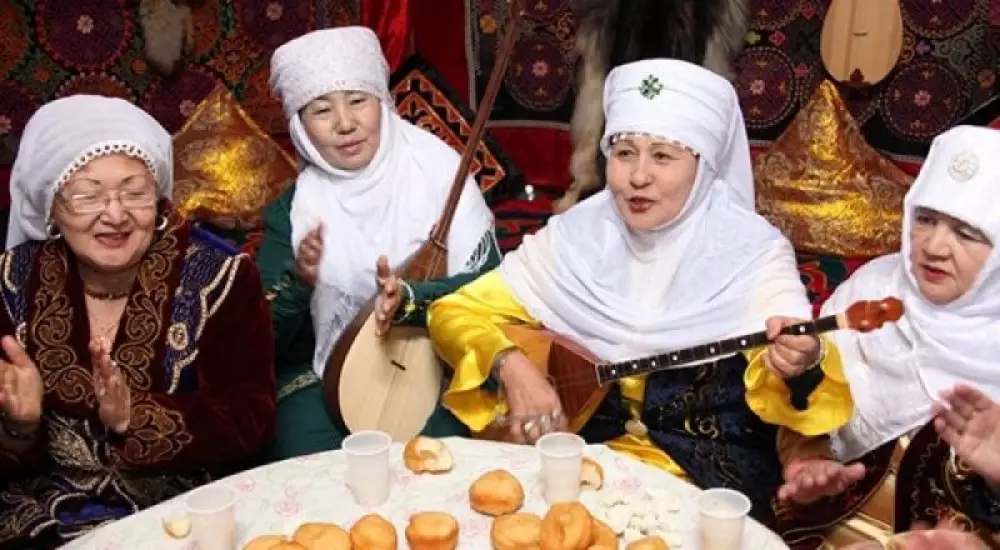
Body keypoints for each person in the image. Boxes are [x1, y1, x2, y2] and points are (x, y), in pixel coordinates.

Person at [426, 58, 854, 521]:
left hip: (697, 477)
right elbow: (453, 312)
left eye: (663, 156)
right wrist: (511, 365)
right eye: (625, 152)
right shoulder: (576, 234)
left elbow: (794, 376)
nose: (637, 177)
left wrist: (802, 361)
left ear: (703, 165)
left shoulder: (753, 253)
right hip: (574, 457)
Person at [0, 95, 276, 548]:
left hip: (179, 508)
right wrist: (21, 425)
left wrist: (136, 417)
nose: (115, 215)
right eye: (87, 195)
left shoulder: (221, 277)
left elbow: (251, 419)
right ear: (50, 205)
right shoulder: (12, 281)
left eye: (134, 192)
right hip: (41, 515)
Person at [261, 27, 500, 459]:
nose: (344, 123)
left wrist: (412, 299)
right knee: (309, 464)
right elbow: (262, 338)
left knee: (448, 458)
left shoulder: (441, 176)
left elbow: (492, 290)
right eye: (321, 110)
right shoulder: (294, 212)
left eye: (358, 100)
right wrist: (299, 281)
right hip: (327, 375)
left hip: (441, 363)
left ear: (383, 103)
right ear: (300, 126)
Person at [774, 126, 1000, 549]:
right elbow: (800, 408)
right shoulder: (872, 291)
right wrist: (808, 461)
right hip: (817, 532)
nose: (934, 246)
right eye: (926, 219)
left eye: (967, 232)